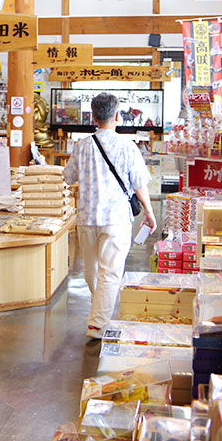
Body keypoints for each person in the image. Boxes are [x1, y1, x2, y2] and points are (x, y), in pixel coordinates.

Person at [63, 92, 157, 340]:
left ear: (93, 116)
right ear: (117, 116)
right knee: (110, 272)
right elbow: (139, 183)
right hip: (115, 219)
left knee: (92, 271)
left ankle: (99, 315)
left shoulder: (82, 146)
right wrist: (148, 211)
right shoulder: (127, 146)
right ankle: (97, 324)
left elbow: (68, 176)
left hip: (86, 217)